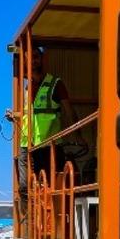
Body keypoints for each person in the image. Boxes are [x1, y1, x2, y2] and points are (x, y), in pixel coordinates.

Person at [14, 50, 76, 213]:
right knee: (24, 185)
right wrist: (14, 117)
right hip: (27, 143)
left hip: (49, 143)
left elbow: (69, 111)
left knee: (50, 185)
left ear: (42, 59)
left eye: (35, 57)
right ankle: (30, 220)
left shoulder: (55, 83)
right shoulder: (27, 88)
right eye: (29, 58)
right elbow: (29, 114)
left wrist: (78, 134)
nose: (32, 61)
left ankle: (51, 222)